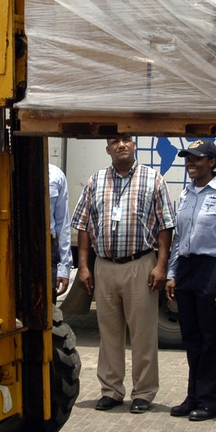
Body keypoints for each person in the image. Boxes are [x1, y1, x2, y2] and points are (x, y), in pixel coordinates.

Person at [72, 134, 175, 414]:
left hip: (139, 264)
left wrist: (161, 265)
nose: (121, 145)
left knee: (143, 333)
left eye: (127, 140)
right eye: (115, 141)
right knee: (109, 333)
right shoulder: (95, 181)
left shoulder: (153, 179)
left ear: (135, 145)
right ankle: (111, 390)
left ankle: (143, 392)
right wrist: (83, 266)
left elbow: (166, 226)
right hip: (104, 266)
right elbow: (82, 225)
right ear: (107, 149)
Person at [165, 140, 216, 422]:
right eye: (188, 159)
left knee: (213, 339)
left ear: (212, 162)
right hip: (187, 268)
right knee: (192, 337)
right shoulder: (184, 196)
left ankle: (210, 401)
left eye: (197, 159)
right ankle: (193, 395)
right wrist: (172, 274)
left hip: (212, 269)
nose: (190, 164)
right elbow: (178, 239)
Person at [49, 163, 73, 298]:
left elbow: (62, 222)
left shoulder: (55, 175)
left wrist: (64, 267)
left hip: (47, 247)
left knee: (47, 305)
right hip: (12, 244)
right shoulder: (7, 169)